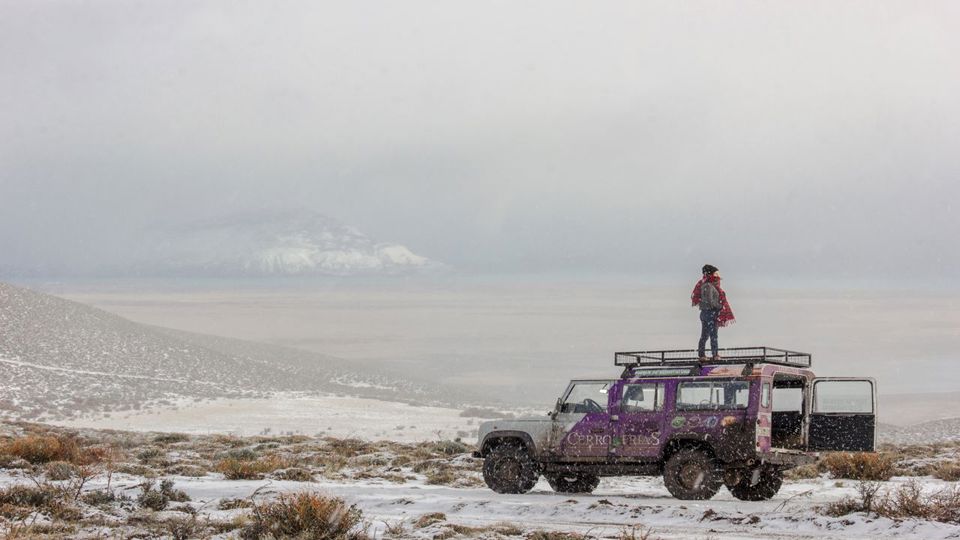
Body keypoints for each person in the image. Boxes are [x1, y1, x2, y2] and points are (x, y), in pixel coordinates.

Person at [691, 264, 735, 361]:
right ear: (711, 274)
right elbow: (709, 301)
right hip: (710, 313)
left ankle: (702, 354)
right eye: (716, 273)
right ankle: (714, 355)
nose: (718, 276)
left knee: (705, 335)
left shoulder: (706, 284)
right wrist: (720, 306)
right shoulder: (708, 285)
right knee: (713, 335)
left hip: (706, 313)